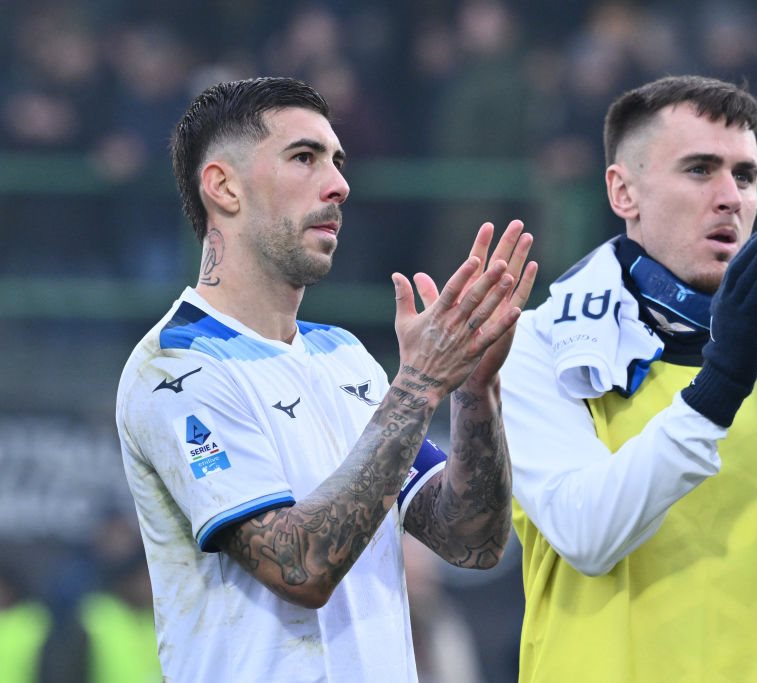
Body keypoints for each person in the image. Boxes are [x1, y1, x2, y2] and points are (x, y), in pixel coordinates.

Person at [499, 74, 757, 682]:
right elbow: (587, 531)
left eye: (745, 176)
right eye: (700, 170)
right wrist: (714, 393)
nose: (730, 197)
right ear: (623, 191)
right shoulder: (542, 345)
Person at [115, 76, 537, 683]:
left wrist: (475, 389)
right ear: (224, 187)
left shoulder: (344, 357)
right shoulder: (176, 366)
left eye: (338, 161)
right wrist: (419, 383)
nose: (339, 184)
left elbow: (472, 540)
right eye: (304, 157)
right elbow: (299, 567)